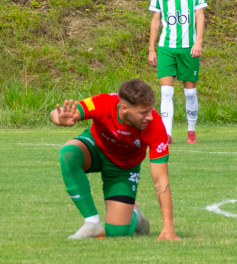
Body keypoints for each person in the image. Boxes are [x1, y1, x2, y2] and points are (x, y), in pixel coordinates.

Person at [50, 79, 179, 241]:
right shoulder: (103, 103)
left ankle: (134, 214)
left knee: (116, 232)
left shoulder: (155, 126)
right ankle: (92, 222)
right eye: (142, 112)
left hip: (123, 169)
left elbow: (160, 179)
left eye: (150, 110)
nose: (149, 117)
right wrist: (59, 118)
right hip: (95, 148)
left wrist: (168, 227)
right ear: (124, 108)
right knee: (69, 153)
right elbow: (58, 112)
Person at [147, 0, 207, 144]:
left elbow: (200, 16)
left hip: (189, 47)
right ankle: (167, 133)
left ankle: (191, 130)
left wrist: (198, 42)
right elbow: (156, 21)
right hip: (166, 47)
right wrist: (151, 49)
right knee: (166, 92)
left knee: (190, 92)